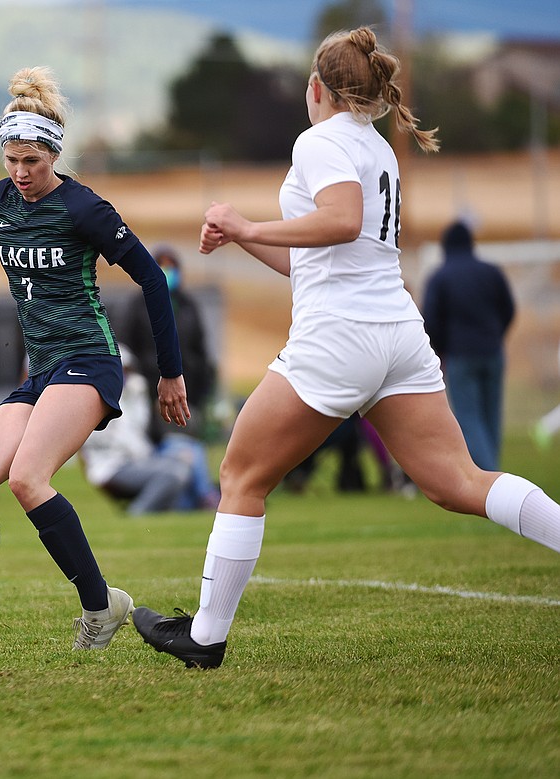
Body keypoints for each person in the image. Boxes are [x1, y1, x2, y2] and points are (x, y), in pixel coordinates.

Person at [132, 27, 560, 669]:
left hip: (342, 337)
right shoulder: (376, 146)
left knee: (241, 476)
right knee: (458, 483)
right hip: (396, 334)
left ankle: (205, 639)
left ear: (316, 88)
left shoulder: (320, 139)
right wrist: (243, 237)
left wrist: (246, 220)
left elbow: (341, 221)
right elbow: (315, 258)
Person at [0, 66, 189, 653]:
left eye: (32, 161)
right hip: (43, 372)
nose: (22, 173)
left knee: (28, 478)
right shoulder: (0, 199)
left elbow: (153, 280)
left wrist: (170, 372)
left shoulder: (84, 208)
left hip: (89, 362)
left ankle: (98, 605)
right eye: (12, 159)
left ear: (52, 154)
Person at [421, 220, 515, 471]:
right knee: (490, 414)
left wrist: (441, 349)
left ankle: (489, 474)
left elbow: (430, 319)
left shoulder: (440, 276)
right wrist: (496, 335)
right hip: (493, 353)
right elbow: (509, 309)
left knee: (468, 416)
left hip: (461, 355)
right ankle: (495, 476)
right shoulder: (491, 272)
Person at [81, 346, 218, 514]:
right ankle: (138, 513)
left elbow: (144, 430)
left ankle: (207, 497)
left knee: (189, 448)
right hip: (114, 466)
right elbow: (110, 442)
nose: (124, 376)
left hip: (142, 456)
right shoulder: (94, 398)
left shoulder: (135, 392)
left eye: (126, 371)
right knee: (176, 472)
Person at [116, 243, 216, 443]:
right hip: (149, 387)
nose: (167, 272)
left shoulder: (189, 306)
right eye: (161, 266)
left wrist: (201, 382)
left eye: (171, 267)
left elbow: (200, 347)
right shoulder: (136, 306)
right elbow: (126, 347)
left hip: (187, 388)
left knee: (185, 441)